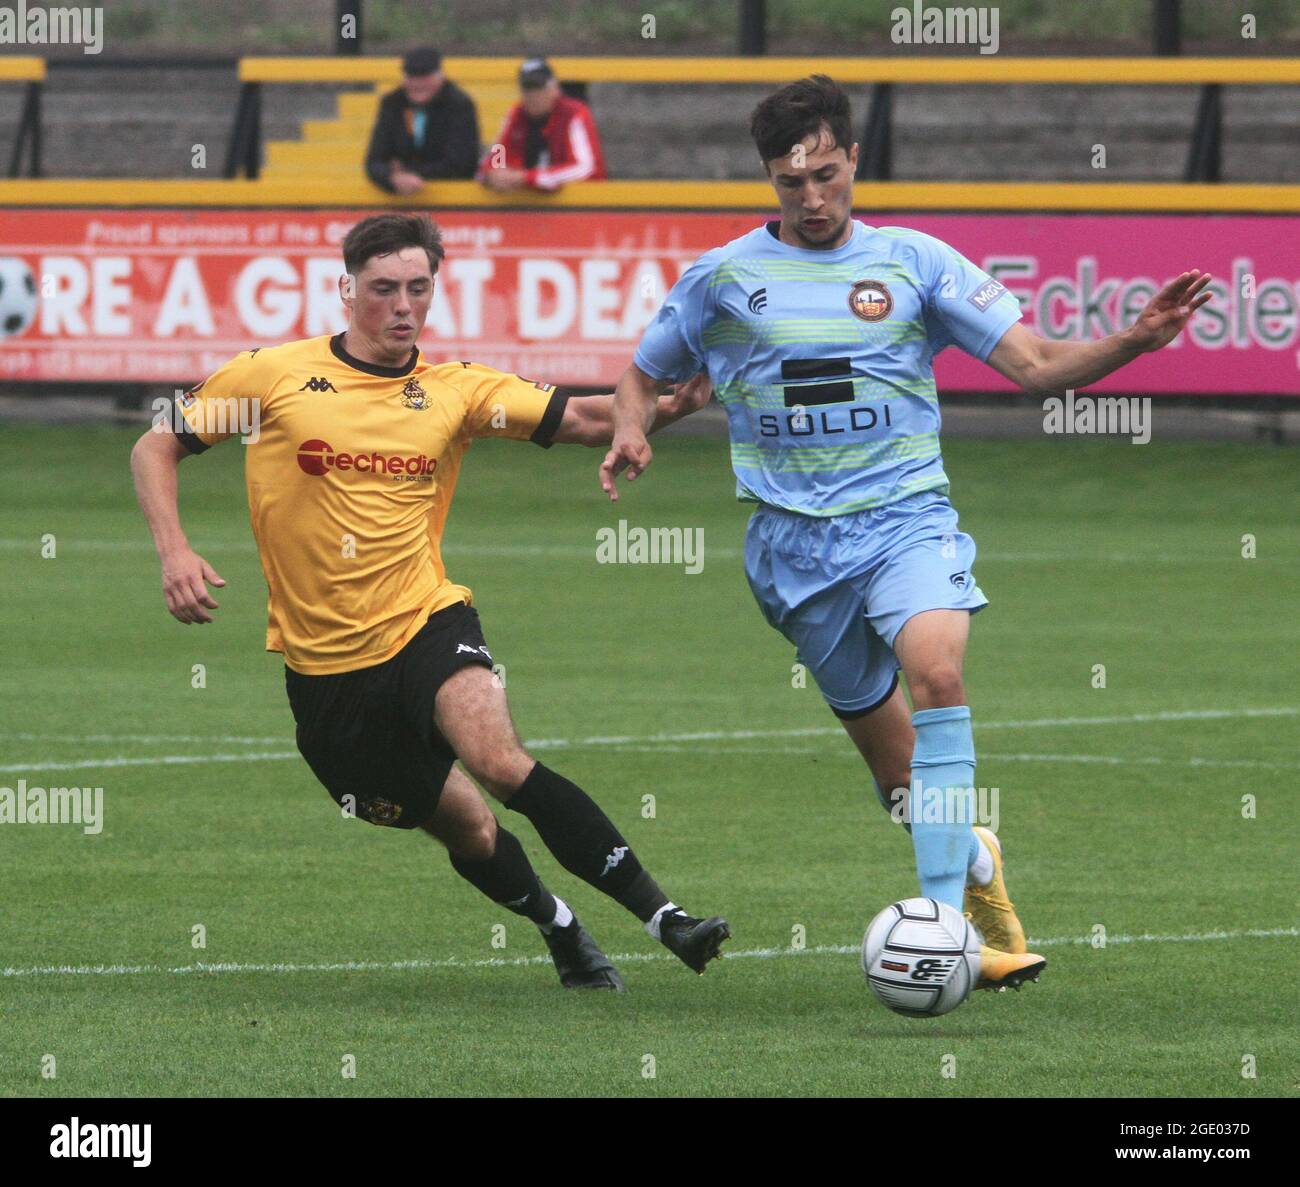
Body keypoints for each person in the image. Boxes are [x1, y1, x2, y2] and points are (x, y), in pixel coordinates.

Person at [601, 75, 1212, 994]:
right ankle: (974, 864)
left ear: (852, 157)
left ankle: (941, 924)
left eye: (824, 175)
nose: (810, 199)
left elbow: (1039, 367)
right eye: (787, 183)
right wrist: (631, 424)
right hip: (791, 550)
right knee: (902, 780)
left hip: (903, 522)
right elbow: (642, 373)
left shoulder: (917, 262)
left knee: (940, 674)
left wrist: (1133, 340)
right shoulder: (722, 278)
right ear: (770, 180)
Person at [130, 213, 727, 991]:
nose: (402, 305)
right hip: (326, 674)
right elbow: (157, 445)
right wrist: (174, 549)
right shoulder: (273, 381)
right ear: (346, 290)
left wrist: (658, 412)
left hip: (426, 621)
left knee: (500, 762)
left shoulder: (454, 391)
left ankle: (666, 917)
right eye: (383, 288)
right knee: (471, 826)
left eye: (418, 288)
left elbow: (581, 418)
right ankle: (560, 926)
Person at [477, 57, 606, 193]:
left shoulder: (573, 113)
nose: (533, 96)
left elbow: (585, 169)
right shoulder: (517, 116)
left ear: (554, 89)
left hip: (583, 207)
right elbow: (497, 158)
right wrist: (492, 174)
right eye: (527, 90)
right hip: (530, 207)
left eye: (539, 89)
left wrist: (529, 178)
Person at [365, 46, 479, 194]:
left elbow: (461, 163)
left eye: (424, 76)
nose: (418, 83)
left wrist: (407, 172)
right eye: (412, 77)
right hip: (399, 197)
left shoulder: (459, 104)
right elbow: (374, 161)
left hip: (450, 197)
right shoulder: (392, 103)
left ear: (440, 77)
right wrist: (391, 177)